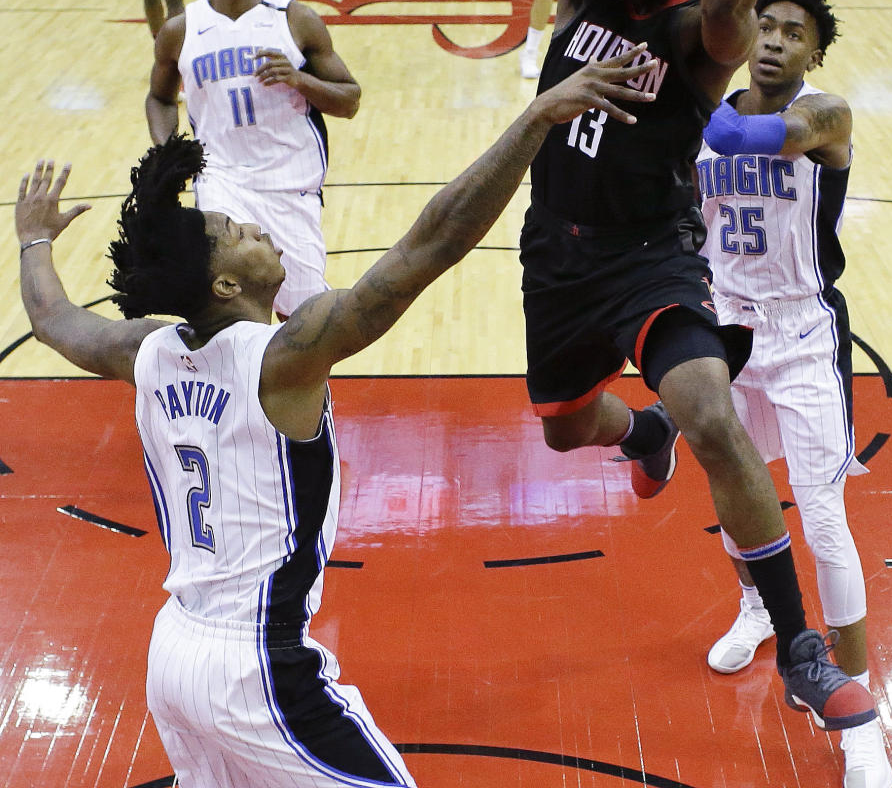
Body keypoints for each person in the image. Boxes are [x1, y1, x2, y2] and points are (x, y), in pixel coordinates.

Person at [15, 48, 656, 788]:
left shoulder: (147, 350)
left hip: (174, 653)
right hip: (257, 665)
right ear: (225, 283)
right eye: (236, 231)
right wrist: (537, 117)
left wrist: (35, 238)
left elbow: (52, 316)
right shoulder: (284, 356)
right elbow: (431, 244)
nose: (256, 227)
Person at [521, 0, 877, 736]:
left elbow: (732, 8)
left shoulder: (700, 29)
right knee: (563, 428)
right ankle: (639, 434)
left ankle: (802, 647)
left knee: (714, 413)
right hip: (554, 251)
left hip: (654, 256)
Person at [691, 0, 892, 788]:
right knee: (735, 493)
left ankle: (861, 708)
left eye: (790, 32)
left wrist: (678, 90)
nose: (774, 40)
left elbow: (753, 140)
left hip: (804, 332)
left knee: (821, 517)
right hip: (726, 327)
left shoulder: (825, 115)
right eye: (763, 26)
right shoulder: (706, 119)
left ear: (814, 51)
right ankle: (755, 606)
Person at [145, 0, 359, 316]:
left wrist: (299, 79)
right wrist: (168, 152)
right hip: (221, 178)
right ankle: (238, 377)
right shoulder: (181, 29)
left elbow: (350, 100)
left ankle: (308, 379)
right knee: (230, 304)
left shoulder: (294, 18)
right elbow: (159, 98)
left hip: (289, 181)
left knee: (304, 315)